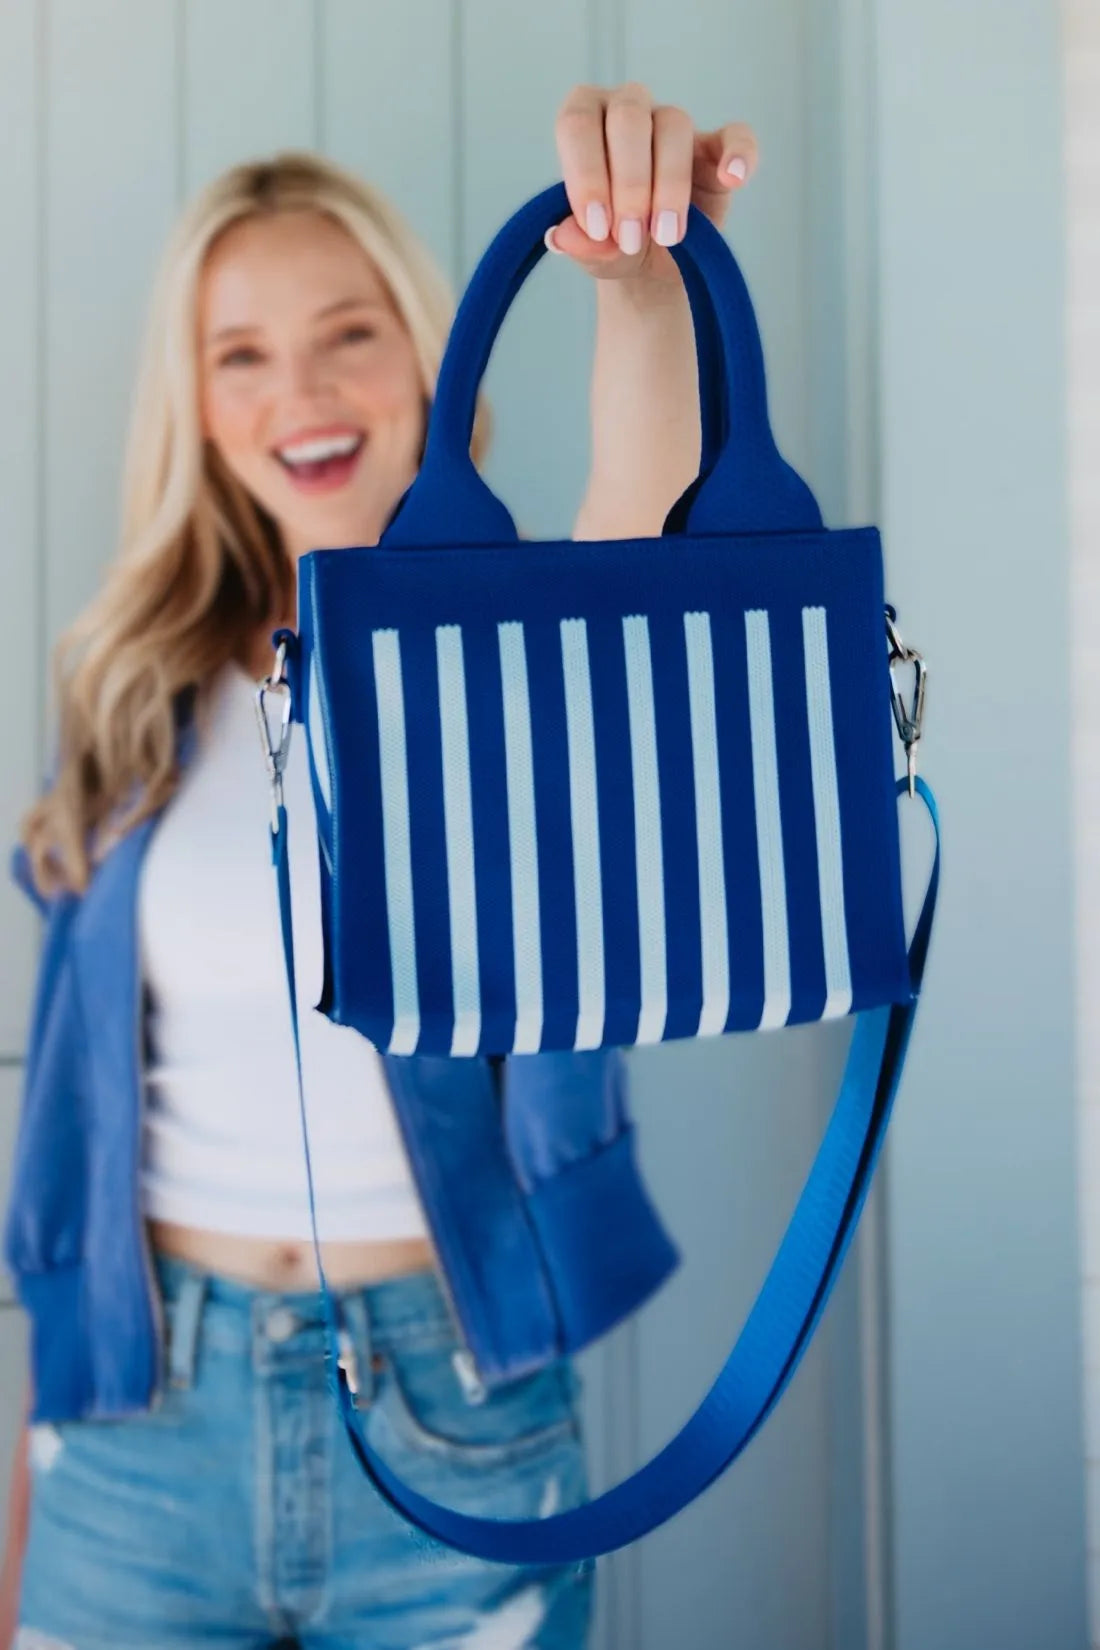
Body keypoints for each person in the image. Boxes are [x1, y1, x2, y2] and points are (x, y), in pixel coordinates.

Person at [0, 83, 757, 1649]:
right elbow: (79, 1135)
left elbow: (646, 515)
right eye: (243, 354)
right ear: (200, 407)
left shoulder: (506, 658)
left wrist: (637, 278)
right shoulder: (134, 697)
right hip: (141, 1422)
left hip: (456, 1400)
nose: (304, 389)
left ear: (426, 351)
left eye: (350, 330)